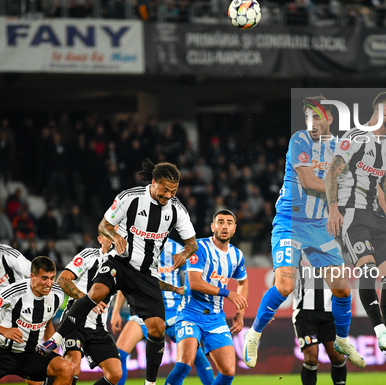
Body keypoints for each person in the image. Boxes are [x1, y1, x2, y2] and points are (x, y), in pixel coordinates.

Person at [38, 159, 198, 385]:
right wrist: (116, 236)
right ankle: (55, 339)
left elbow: (192, 244)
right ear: (153, 182)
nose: (168, 195)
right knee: (97, 292)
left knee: (157, 328)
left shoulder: (176, 210)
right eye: (165, 190)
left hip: (146, 273)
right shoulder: (130, 198)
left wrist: (184, 253)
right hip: (120, 262)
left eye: (173, 191)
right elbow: (104, 225)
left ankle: (150, 383)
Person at [243, 96, 365, 369]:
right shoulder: (300, 139)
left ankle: (342, 339)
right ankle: (254, 334)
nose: (312, 123)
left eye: (318, 117)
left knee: (343, 290)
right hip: (290, 222)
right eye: (308, 117)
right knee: (285, 286)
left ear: (330, 119)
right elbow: (309, 181)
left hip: (319, 227)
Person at [325, 92, 386, 364]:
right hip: (351, 215)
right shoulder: (356, 137)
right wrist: (333, 208)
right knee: (368, 270)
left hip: (377, 218)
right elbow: (332, 172)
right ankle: (381, 332)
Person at [110, 239, 214, 385]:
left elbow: (191, 280)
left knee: (197, 355)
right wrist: (116, 311)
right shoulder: (137, 248)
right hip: (145, 310)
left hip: (174, 312)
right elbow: (127, 282)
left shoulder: (177, 249)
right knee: (119, 353)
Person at [165, 210, 248, 385]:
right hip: (190, 314)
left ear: (234, 228)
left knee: (228, 371)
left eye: (229, 222)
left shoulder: (237, 255)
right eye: (220, 222)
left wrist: (240, 313)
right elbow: (194, 283)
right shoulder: (199, 247)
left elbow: (243, 283)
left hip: (215, 318)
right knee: (183, 364)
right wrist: (227, 293)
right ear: (213, 226)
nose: (224, 226)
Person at [55, 235, 122, 385]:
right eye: (109, 234)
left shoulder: (121, 262)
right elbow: (63, 279)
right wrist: (87, 300)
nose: (114, 238)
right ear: (99, 239)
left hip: (98, 328)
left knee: (115, 373)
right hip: (74, 322)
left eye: (117, 235)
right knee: (73, 367)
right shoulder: (89, 256)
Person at [0, 257, 74, 385]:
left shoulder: (57, 295)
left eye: (52, 278)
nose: (49, 283)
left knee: (66, 369)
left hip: (30, 355)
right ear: (32, 277)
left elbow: (48, 323)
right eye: (44, 278)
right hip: (3, 353)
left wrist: (52, 352)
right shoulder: (14, 292)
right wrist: (3, 330)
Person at [293, 253, 347, 385]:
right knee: (311, 358)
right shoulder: (298, 249)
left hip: (330, 313)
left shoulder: (333, 247)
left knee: (338, 357)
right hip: (305, 314)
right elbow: (282, 275)